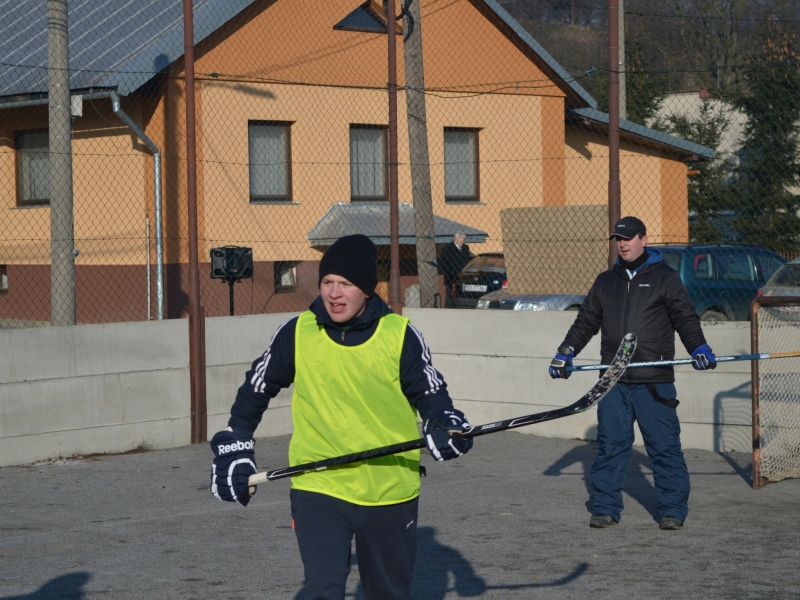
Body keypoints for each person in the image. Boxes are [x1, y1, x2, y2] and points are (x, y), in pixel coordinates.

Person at [210, 234, 473, 600]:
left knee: (387, 593)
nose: (334, 293)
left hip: (387, 488)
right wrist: (236, 445)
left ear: (367, 289)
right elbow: (255, 390)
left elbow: (430, 393)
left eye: (345, 284)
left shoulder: (399, 336)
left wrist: (443, 421)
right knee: (322, 588)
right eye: (327, 282)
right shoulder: (299, 332)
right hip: (318, 484)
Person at [548, 216, 716, 531]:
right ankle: (606, 507)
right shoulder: (605, 281)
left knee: (664, 446)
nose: (622, 244)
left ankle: (672, 508)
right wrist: (566, 351)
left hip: (654, 380)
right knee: (611, 445)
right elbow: (585, 321)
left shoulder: (666, 278)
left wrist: (699, 347)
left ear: (643, 239)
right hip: (613, 381)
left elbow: (685, 317)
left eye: (628, 238)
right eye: (618, 239)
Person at [438, 231, 473, 308]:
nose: (463, 241)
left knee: (462, 296)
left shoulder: (465, 248)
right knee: (450, 296)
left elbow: (467, 261)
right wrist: (451, 272)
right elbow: (443, 263)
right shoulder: (447, 248)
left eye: (464, 239)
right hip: (451, 277)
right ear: (456, 239)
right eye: (462, 239)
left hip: (463, 277)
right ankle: (448, 310)